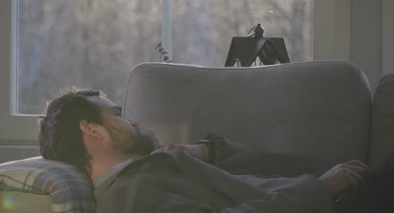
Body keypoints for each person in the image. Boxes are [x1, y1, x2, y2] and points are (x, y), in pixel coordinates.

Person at [38, 89, 372, 213]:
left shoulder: (151, 169)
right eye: (119, 115)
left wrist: (208, 151)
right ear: (91, 129)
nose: (133, 122)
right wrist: (319, 189)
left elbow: (275, 163)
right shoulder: (128, 196)